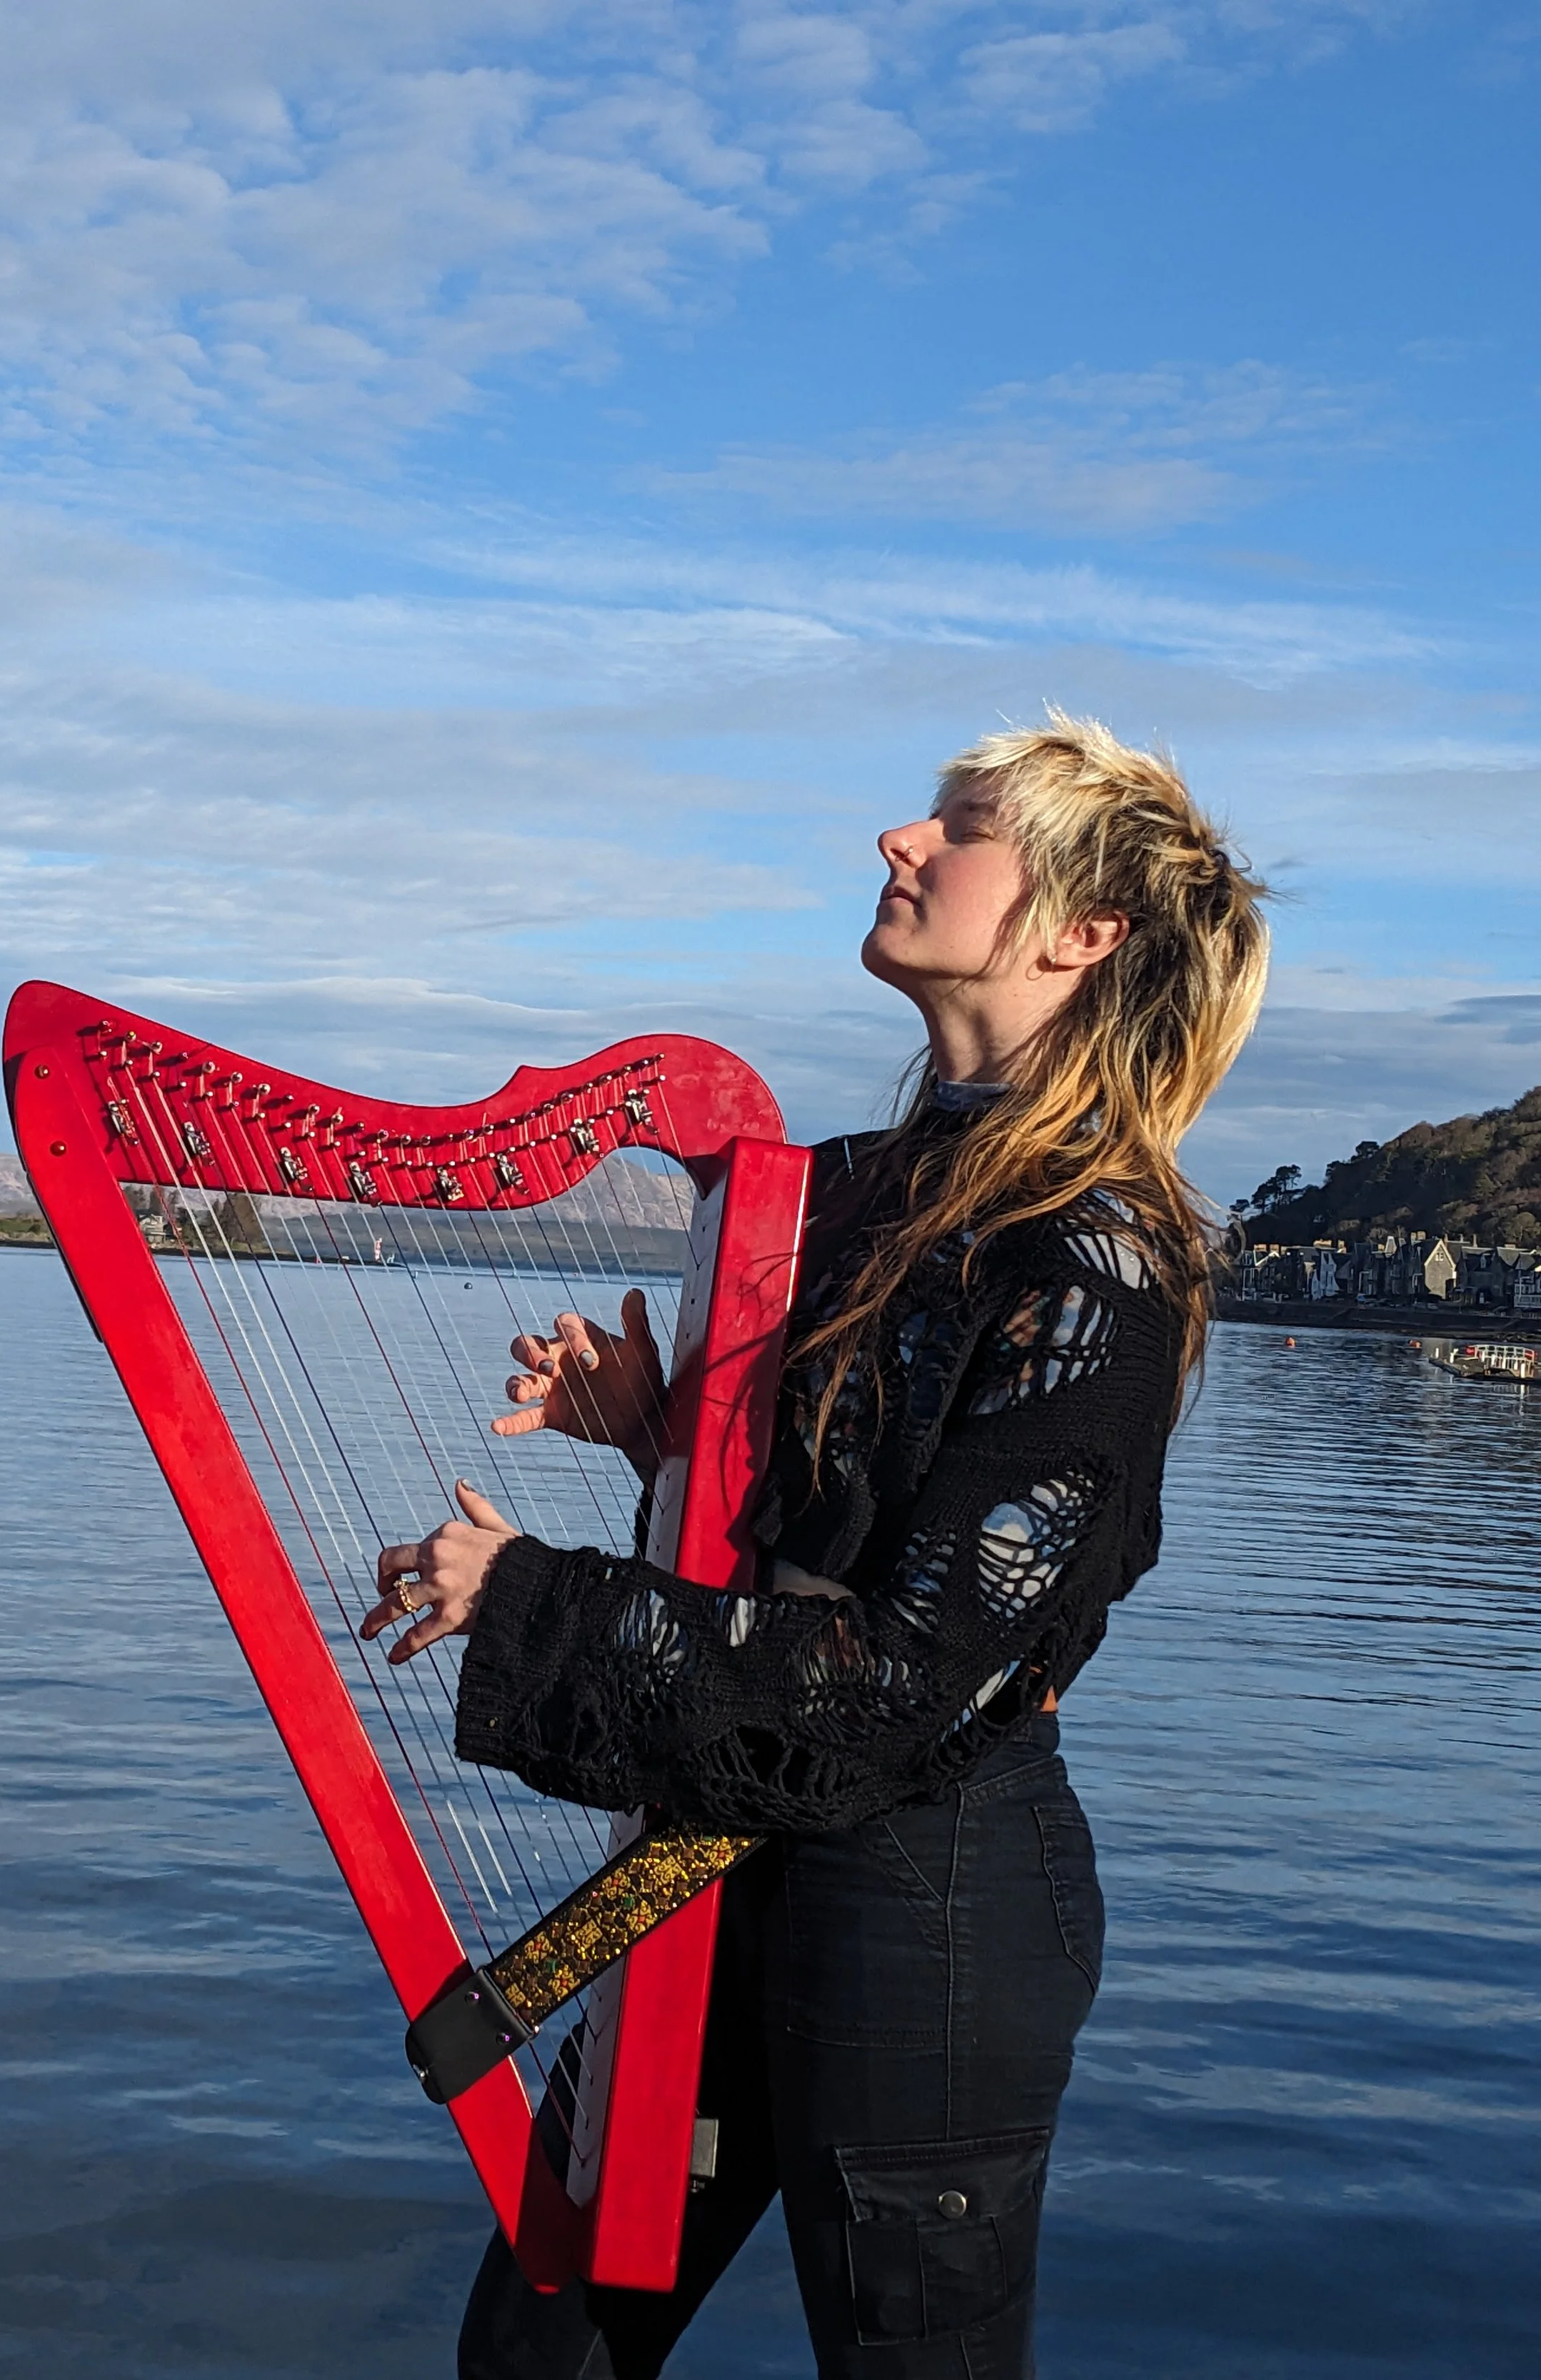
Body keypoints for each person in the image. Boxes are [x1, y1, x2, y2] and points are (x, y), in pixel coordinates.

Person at [362, 714, 1270, 2380]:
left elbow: (889, 1680)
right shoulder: (865, 1190)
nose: (895, 845)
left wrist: (535, 1600)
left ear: (1080, 931)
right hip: (715, 1856)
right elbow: (842, 1548)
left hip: (923, 1912)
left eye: (957, 829)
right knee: (532, 2356)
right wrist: (653, 1438)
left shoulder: (1099, 1267)